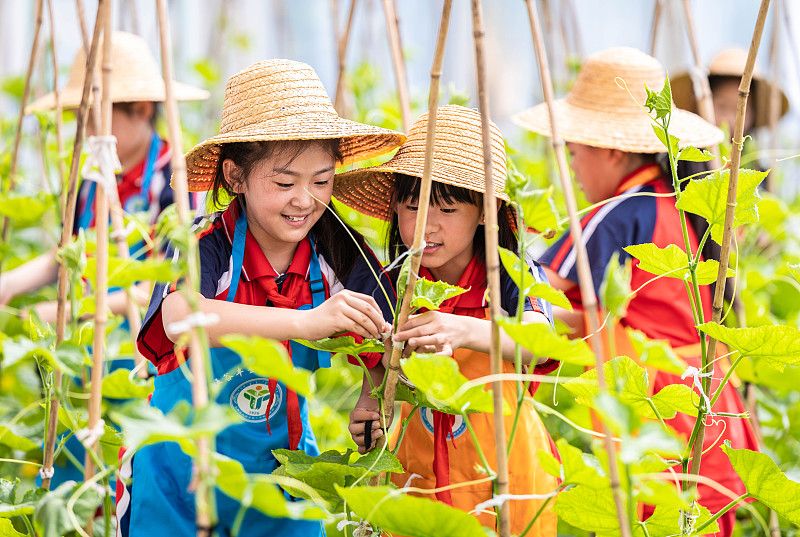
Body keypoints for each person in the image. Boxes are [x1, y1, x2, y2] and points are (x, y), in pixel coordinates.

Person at [120, 59, 404, 537]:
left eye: (322, 181)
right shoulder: (202, 241)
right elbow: (179, 317)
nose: (305, 200)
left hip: (282, 475)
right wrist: (306, 322)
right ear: (235, 177)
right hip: (177, 470)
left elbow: (383, 338)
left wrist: (370, 395)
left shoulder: (340, 252)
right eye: (285, 182)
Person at [514, 47, 759, 536]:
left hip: (657, 421)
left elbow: (535, 294)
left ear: (611, 150)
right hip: (710, 414)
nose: (572, 165)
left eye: (574, 150)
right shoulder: (678, 206)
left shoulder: (616, 213)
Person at [339, 105, 559, 536]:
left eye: (447, 209)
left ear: (485, 211)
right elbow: (376, 372)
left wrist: (466, 330)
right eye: (411, 205)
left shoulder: (511, 272)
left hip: (506, 476)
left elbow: (541, 341)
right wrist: (368, 411)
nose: (426, 226)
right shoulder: (395, 284)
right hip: (418, 476)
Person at [0, 31, 209, 321]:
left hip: (145, 351)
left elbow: (161, 285)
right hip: (94, 347)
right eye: (82, 122)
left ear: (142, 109)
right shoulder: (92, 180)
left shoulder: (175, 179)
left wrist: (67, 313)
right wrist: (9, 283)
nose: (87, 134)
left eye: (95, 121)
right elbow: (66, 254)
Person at [671, 47, 789, 136]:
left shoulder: (757, 167)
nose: (729, 121)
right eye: (722, 107)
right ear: (700, 104)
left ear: (754, 114)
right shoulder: (682, 163)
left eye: (742, 110)